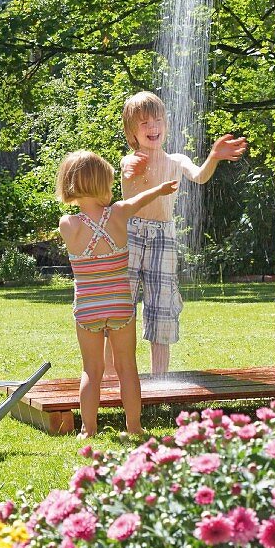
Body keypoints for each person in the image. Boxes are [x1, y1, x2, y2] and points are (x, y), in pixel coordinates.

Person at [110, 91, 247, 376]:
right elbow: (129, 176)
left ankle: (159, 379)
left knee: (162, 309)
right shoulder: (129, 160)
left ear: (166, 125)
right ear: (131, 131)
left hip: (164, 237)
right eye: (144, 122)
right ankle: (114, 377)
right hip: (130, 235)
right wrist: (133, 170)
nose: (152, 127)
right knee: (121, 309)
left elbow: (199, 176)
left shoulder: (176, 160)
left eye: (157, 120)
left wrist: (213, 157)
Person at [56, 149, 178, 436]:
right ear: (100, 185)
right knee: (127, 368)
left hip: (88, 308)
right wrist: (159, 189)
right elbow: (137, 200)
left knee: (91, 370)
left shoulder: (68, 225)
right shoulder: (119, 214)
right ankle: (134, 427)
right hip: (121, 305)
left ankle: (88, 429)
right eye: (109, 184)